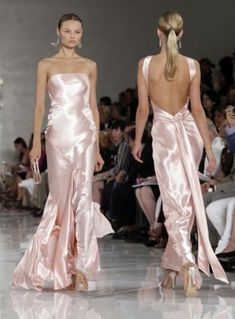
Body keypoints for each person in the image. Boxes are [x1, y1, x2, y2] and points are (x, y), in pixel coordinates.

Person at [12, 13, 113, 291]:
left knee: (83, 196)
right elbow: (39, 107)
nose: (72, 36)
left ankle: (80, 266)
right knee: (59, 199)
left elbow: (92, 107)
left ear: (82, 34)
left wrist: (96, 146)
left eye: (77, 32)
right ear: (58, 32)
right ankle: (57, 264)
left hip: (83, 135)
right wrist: (36, 144)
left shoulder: (89, 65)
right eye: (67, 31)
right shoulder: (46, 64)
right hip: (56, 136)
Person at [132, 10, 228, 296]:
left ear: (157, 32)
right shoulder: (193, 65)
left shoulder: (146, 64)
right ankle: (172, 269)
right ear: (181, 33)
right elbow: (197, 110)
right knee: (183, 203)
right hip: (189, 135)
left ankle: (186, 263)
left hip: (164, 134)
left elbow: (142, 110)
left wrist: (137, 140)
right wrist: (209, 148)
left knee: (176, 203)